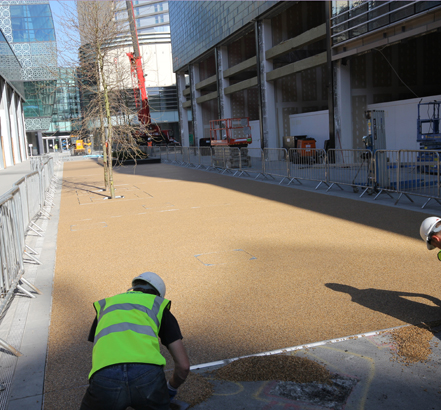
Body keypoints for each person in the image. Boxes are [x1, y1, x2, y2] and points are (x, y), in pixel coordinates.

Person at [80, 272, 190, 410]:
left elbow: (98, 346)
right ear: (157, 295)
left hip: (105, 377)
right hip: (148, 377)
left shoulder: (106, 306)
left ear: (134, 288)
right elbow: (184, 366)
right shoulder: (157, 305)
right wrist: (170, 389)